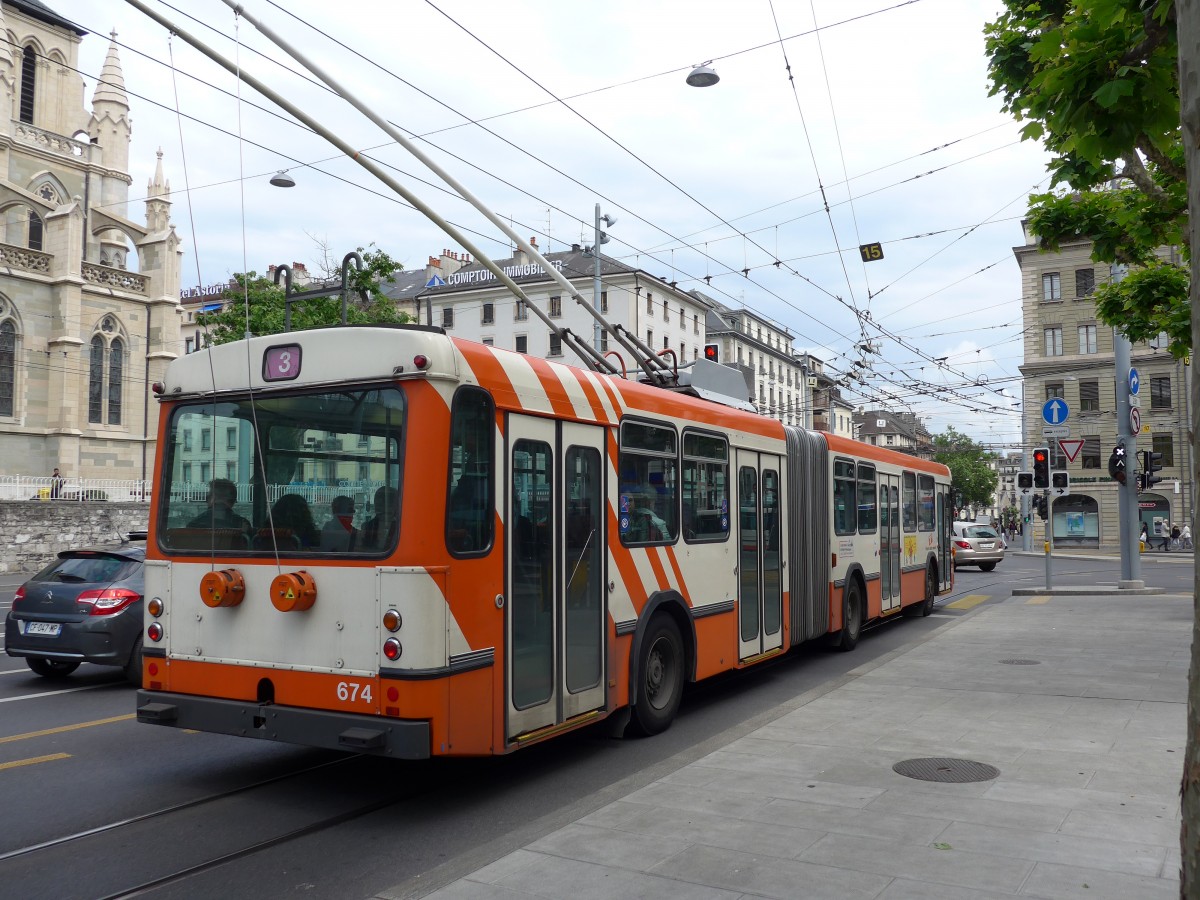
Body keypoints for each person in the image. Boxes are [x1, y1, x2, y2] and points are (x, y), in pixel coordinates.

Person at [188, 478, 252, 535]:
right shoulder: (243, 525)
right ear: (233, 501)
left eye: (207, 497)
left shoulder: (194, 524)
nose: (206, 501)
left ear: (213, 498)